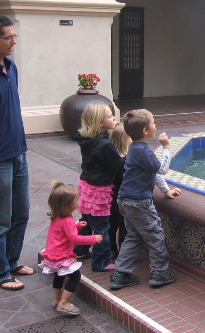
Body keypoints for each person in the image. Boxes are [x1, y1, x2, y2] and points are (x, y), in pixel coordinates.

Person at [110, 109, 181, 290]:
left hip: (125, 200)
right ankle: (160, 273)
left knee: (133, 236)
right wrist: (166, 147)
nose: (155, 125)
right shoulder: (143, 151)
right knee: (155, 235)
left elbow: (152, 172)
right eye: (153, 123)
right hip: (139, 202)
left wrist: (165, 190)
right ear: (145, 131)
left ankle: (121, 273)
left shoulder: (134, 149)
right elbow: (161, 169)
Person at [0, 12, 34, 291]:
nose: (13, 42)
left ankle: (11, 261)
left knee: (22, 212)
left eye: (14, 36)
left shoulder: (11, 67)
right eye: (8, 38)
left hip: (18, 152)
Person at [38, 182, 103, 316]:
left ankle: (57, 299)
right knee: (75, 277)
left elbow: (63, 233)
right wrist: (93, 239)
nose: (78, 201)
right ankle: (64, 302)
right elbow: (74, 239)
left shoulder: (57, 217)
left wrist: (77, 226)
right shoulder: (67, 220)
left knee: (58, 277)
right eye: (76, 199)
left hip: (52, 254)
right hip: (62, 256)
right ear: (68, 204)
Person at [73, 102, 120, 272]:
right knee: (102, 228)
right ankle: (101, 262)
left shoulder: (86, 138)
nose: (113, 117)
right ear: (100, 123)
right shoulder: (105, 145)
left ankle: (79, 249)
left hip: (86, 186)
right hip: (99, 190)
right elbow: (117, 164)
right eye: (109, 116)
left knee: (86, 221)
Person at [107, 124, 131, 260]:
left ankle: (111, 249)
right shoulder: (125, 162)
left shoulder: (111, 159)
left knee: (111, 226)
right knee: (123, 226)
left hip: (110, 198)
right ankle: (123, 252)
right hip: (122, 199)